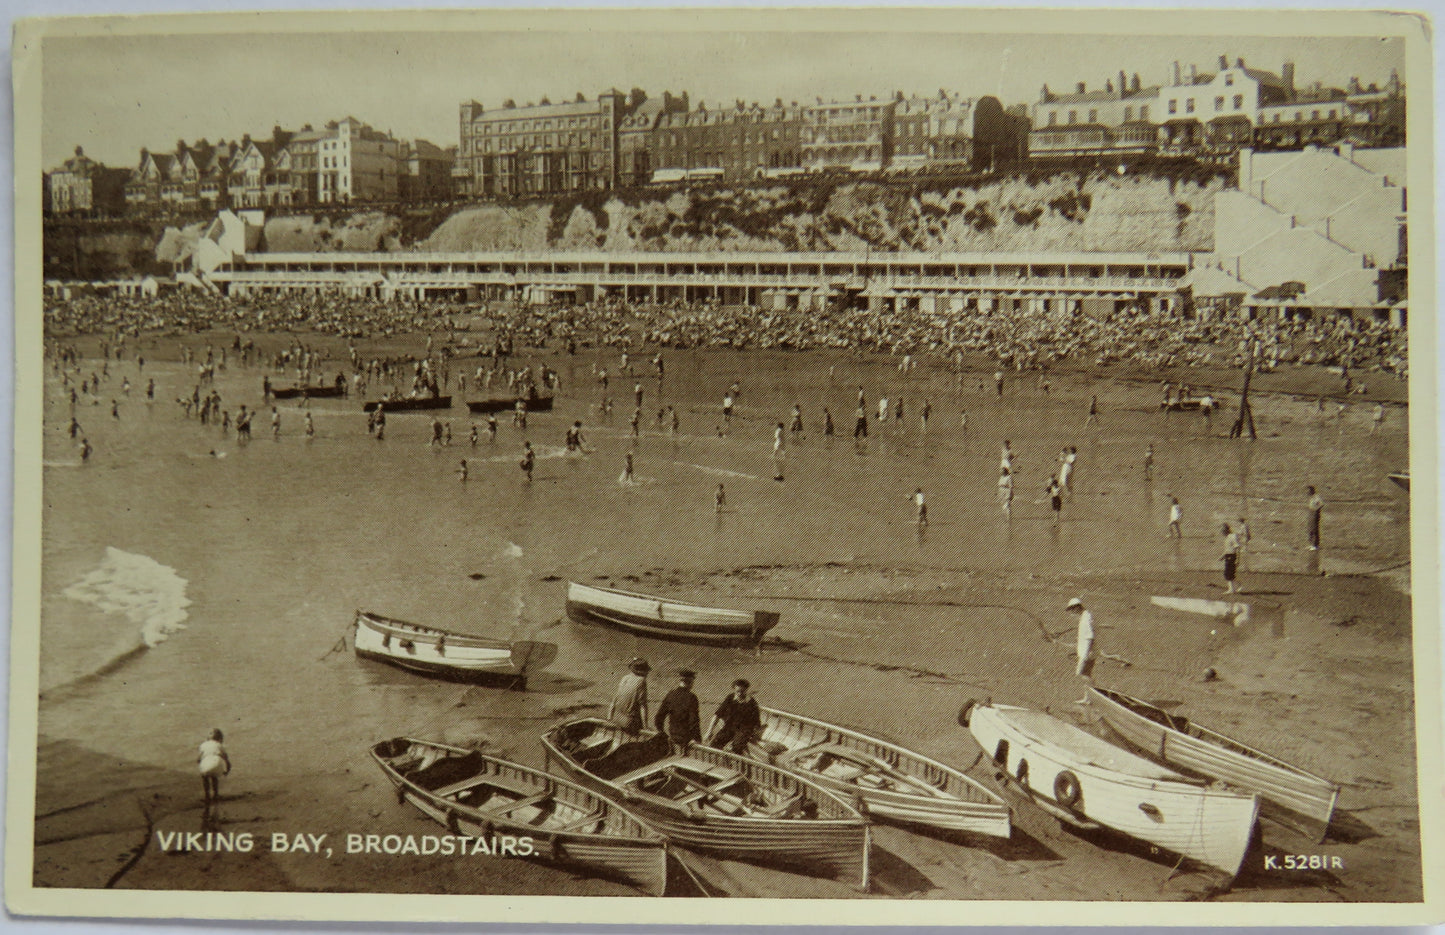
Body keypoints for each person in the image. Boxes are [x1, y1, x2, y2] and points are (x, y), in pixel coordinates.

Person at [707, 679, 762, 754]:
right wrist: (709, 731)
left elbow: (757, 722)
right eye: (737, 691)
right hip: (730, 727)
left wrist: (755, 736)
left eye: (742, 692)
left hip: (744, 729)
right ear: (734, 690)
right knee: (714, 745)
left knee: (736, 747)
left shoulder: (751, 703)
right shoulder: (730, 698)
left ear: (746, 690)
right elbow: (717, 715)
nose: (739, 694)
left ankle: (737, 757)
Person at [654, 670, 702, 753]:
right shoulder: (692, 697)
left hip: (672, 735)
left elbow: (659, 716)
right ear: (691, 682)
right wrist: (696, 738)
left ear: (680, 681)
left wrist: (661, 731)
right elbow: (694, 720)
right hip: (686, 738)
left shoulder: (670, 694)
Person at [608, 658, 650, 734]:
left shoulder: (625, 678)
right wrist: (645, 727)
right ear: (643, 672)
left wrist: (609, 718)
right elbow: (643, 706)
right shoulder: (641, 681)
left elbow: (614, 701)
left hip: (617, 718)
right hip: (628, 722)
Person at [1067, 598, 1096, 686]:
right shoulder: (1085, 616)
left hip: (1086, 653)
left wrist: (1086, 654)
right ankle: (1087, 697)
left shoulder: (1085, 619)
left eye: (1072, 609)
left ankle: (1094, 691)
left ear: (1076, 607)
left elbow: (1090, 637)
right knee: (1087, 674)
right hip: (1087, 652)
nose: (1072, 612)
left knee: (1080, 674)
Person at [198, 728, 231, 804]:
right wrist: (227, 769)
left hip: (206, 765)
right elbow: (226, 758)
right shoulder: (219, 745)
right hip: (217, 763)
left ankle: (207, 795)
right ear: (220, 738)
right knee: (214, 777)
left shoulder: (203, 745)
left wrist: (200, 762)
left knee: (205, 777)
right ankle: (215, 795)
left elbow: (198, 758)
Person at [1221, 523, 1241, 594]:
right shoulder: (1227, 538)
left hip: (1232, 556)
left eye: (1223, 530)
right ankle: (1236, 586)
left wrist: (1238, 559)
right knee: (1228, 573)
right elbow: (1227, 549)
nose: (1222, 532)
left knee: (1229, 573)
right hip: (1228, 556)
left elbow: (1237, 548)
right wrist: (1222, 556)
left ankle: (1232, 589)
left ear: (1227, 530)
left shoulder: (1233, 536)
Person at [1306, 486, 1324, 550]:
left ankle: (1315, 545)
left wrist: (1316, 509)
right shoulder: (1311, 497)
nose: (1307, 493)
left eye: (1308, 491)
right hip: (1311, 514)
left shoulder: (1316, 497)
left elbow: (1321, 504)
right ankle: (1311, 544)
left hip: (1315, 514)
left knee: (1315, 529)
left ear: (1312, 491)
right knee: (1310, 529)